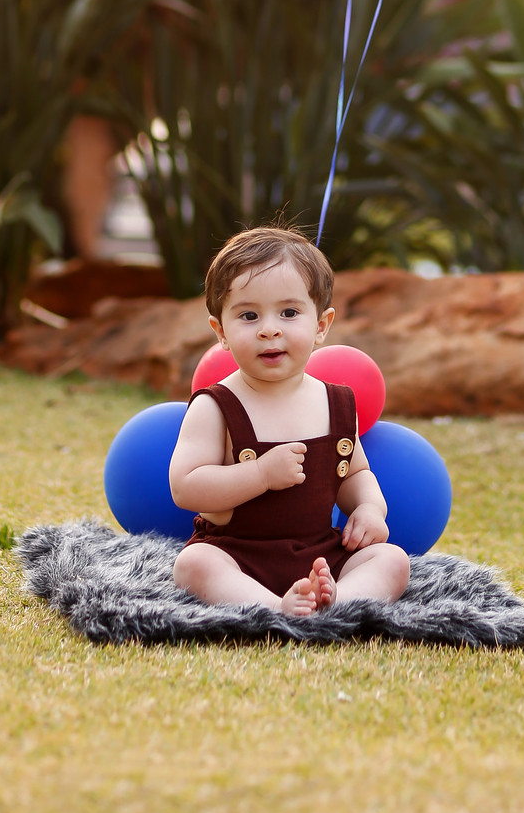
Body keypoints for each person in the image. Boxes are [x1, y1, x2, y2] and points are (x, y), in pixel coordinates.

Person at [170, 226, 411, 616]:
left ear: (320, 326)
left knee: (393, 560)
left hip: (320, 554)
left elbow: (353, 473)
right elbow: (186, 488)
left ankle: (337, 600)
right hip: (237, 554)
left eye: (289, 312)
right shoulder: (215, 406)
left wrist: (369, 509)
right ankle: (272, 607)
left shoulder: (336, 403)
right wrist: (260, 475)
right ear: (221, 332)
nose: (269, 328)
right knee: (193, 565)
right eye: (248, 315)